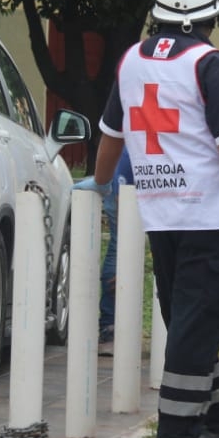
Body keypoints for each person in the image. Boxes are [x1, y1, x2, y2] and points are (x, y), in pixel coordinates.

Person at [83, 0, 219, 438]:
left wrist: (99, 185)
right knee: (200, 319)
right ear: (211, 17)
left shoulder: (132, 61)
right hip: (208, 213)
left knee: (186, 318)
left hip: (160, 214)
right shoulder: (213, 65)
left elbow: (111, 137)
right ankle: (179, 429)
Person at [75, 149, 133, 357]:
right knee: (120, 252)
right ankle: (110, 328)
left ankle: (110, 328)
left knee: (119, 249)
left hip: (123, 172)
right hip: (131, 176)